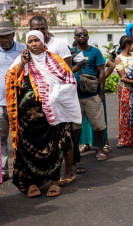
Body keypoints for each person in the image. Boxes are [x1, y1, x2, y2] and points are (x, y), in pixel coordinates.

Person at [5, 30, 81, 197]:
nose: (33, 44)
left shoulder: (55, 60)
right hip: (27, 121)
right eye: (30, 41)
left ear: (42, 41)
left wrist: (53, 97)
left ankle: (55, 181)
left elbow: (69, 81)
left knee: (54, 149)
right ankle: (31, 183)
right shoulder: (21, 60)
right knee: (27, 151)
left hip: (52, 116)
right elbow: (10, 81)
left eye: (36, 41)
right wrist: (22, 64)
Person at [29, 15, 80, 184]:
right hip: (40, 102)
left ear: (47, 27)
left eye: (42, 28)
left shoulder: (58, 44)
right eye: (36, 29)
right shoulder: (31, 45)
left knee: (65, 136)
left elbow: (66, 72)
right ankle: (49, 174)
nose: (40, 31)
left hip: (60, 99)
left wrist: (55, 93)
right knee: (46, 140)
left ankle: (68, 171)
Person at [71, 27, 107, 161]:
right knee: (76, 126)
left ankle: (99, 149)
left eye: (84, 34)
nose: (82, 36)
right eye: (79, 35)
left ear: (88, 37)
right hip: (74, 96)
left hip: (92, 94)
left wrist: (101, 92)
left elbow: (101, 72)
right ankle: (76, 151)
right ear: (74, 37)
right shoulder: (71, 52)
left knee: (98, 124)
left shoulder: (95, 52)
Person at [0, 21, 26, 182]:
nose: (5, 39)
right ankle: (3, 170)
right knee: (1, 137)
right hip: (0, 103)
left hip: (20, 101)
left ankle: (21, 167)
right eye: (2, 37)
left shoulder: (23, 49)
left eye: (8, 35)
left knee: (22, 136)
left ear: (13, 34)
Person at [79, 58, 115, 155]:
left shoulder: (95, 54)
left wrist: (100, 80)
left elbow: (111, 65)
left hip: (95, 91)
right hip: (81, 92)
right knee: (84, 120)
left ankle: (105, 143)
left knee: (99, 119)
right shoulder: (74, 55)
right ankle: (86, 143)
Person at [115, 35, 133, 147]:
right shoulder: (118, 58)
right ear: (127, 45)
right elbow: (123, 76)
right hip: (126, 89)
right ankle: (123, 139)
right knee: (125, 114)